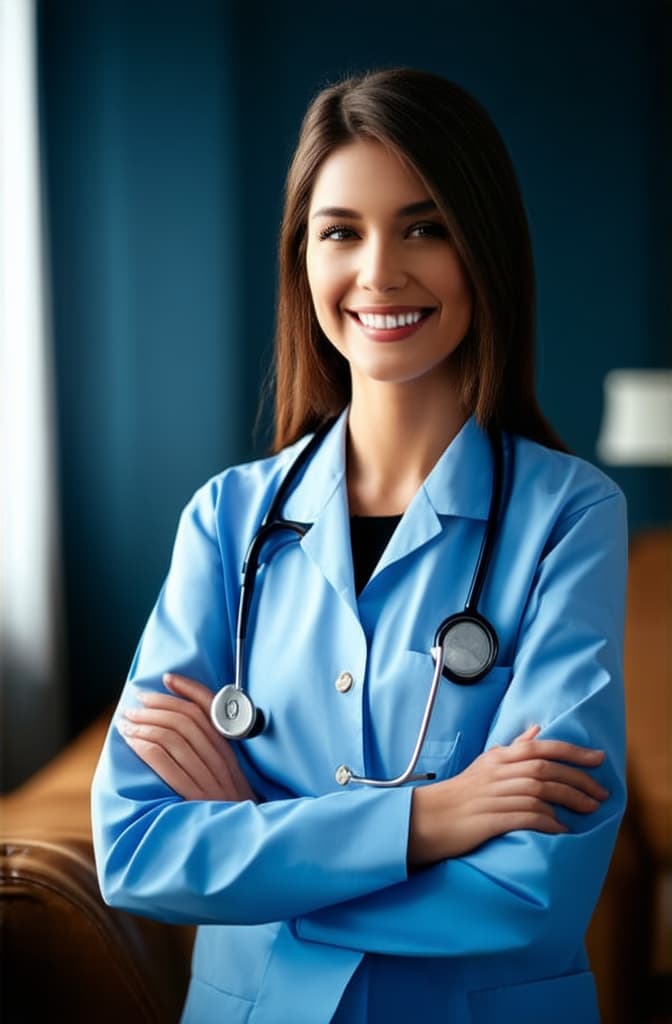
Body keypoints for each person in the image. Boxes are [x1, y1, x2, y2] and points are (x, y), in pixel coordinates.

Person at [91, 68, 627, 1023]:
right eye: (341, 231)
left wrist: (257, 840)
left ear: (484, 249)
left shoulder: (569, 515)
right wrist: (435, 818)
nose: (379, 271)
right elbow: (136, 851)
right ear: (304, 257)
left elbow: (529, 889)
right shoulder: (228, 520)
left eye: (424, 227)